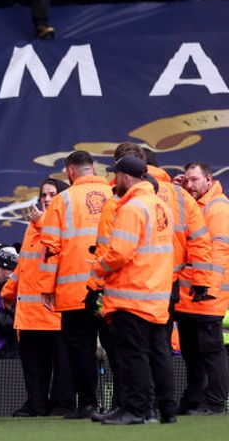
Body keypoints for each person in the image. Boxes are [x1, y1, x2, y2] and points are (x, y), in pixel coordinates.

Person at [88, 156, 178, 425]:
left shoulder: (132, 208)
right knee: (158, 354)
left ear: (125, 176)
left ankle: (135, 411)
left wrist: (98, 269)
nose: (114, 182)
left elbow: (120, 252)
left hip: (132, 294)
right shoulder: (161, 206)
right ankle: (167, 410)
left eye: (116, 177)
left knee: (132, 356)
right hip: (156, 293)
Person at [38, 151, 113, 418]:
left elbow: (50, 249)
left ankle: (88, 404)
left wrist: (46, 287)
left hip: (75, 291)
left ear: (70, 171)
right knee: (116, 347)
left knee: (80, 350)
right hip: (112, 288)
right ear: (93, 168)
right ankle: (123, 402)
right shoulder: (116, 195)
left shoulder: (63, 200)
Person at [3, 178, 72, 416]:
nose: (45, 199)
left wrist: (42, 222)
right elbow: (24, 264)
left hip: (54, 311)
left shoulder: (64, 222)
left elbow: (61, 251)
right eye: (43, 194)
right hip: (30, 312)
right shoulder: (32, 226)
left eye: (51, 194)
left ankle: (61, 405)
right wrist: (9, 292)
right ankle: (36, 403)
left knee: (62, 367)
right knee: (34, 366)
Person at [176, 161, 229, 414]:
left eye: (195, 180)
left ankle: (215, 402)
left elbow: (219, 251)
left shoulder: (217, 208)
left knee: (210, 351)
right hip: (191, 294)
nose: (190, 184)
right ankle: (195, 398)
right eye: (187, 180)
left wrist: (206, 287)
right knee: (193, 352)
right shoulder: (195, 205)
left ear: (209, 179)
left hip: (206, 294)